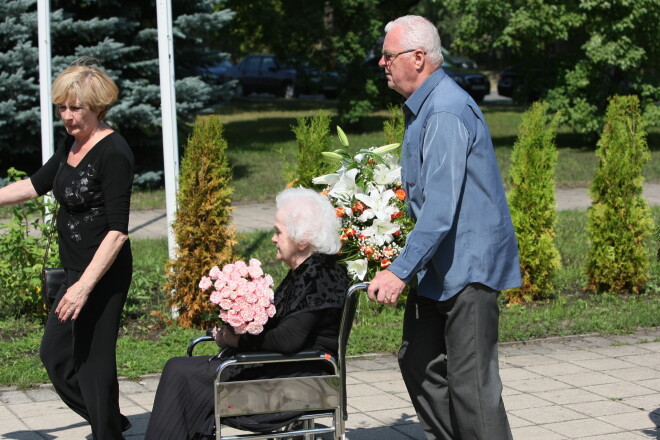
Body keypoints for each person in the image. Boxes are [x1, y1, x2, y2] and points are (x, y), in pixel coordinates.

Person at [366, 15, 522, 440]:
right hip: (438, 267)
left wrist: (399, 270)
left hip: (467, 269)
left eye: (388, 55)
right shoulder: (423, 108)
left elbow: (439, 211)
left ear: (418, 58)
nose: (382, 62)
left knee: (473, 388)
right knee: (417, 360)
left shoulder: (447, 110)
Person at [145, 187, 350, 440]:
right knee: (180, 370)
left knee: (179, 372)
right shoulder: (312, 271)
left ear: (302, 239)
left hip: (294, 381)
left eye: (279, 232)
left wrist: (236, 340)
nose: (274, 238)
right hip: (288, 371)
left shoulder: (317, 276)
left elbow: (288, 339)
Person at [0, 58, 134, 439]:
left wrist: (84, 286)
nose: (67, 116)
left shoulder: (114, 153)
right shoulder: (71, 144)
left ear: (98, 108)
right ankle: (109, 420)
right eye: (62, 107)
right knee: (55, 356)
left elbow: (118, 232)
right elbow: (34, 185)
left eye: (76, 108)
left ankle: (107, 431)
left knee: (93, 363)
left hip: (102, 274)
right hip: (72, 270)